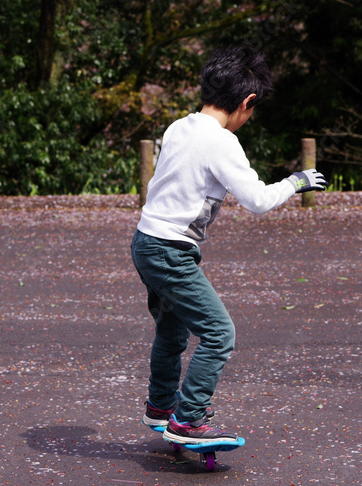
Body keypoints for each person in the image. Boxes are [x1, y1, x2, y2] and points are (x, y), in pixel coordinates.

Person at [131, 44, 326, 445]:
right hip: (170, 251)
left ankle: (161, 407)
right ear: (247, 101)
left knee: (172, 332)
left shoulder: (177, 127)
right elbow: (257, 201)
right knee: (220, 333)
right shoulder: (221, 142)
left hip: (146, 241)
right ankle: (188, 420)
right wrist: (295, 182)